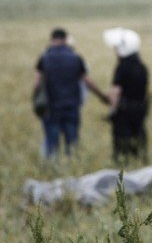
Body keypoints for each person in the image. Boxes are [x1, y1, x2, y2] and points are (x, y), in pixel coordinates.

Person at [33, 28, 109, 158]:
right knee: (72, 144)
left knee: (52, 144)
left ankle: (53, 171)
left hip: (51, 107)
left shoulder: (44, 58)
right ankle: (72, 170)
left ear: (52, 39)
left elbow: (37, 83)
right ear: (65, 39)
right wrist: (102, 96)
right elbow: (87, 81)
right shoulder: (75, 57)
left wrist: (36, 100)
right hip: (71, 106)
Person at [103, 28, 149, 163]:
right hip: (140, 109)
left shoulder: (122, 67)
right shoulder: (142, 66)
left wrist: (112, 109)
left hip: (124, 111)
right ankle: (140, 163)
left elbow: (117, 90)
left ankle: (124, 166)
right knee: (138, 138)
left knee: (122, 142)